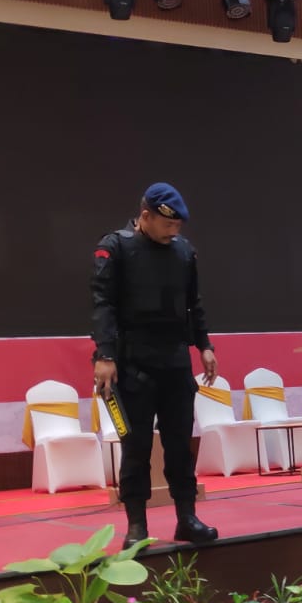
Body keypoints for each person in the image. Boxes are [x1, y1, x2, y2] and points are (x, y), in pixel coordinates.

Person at [92, 182, 219, 548]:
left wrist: (204, 345)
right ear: (145, 216)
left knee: (180, 445)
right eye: (168, 224)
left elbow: (194, 304)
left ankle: (187, 518)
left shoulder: (184, 252)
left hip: (175, 362)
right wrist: (104, 355)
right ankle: (136, 526)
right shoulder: (115, 248)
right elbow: (103, 305)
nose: (173, 231)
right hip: (133, 364)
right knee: (136, 447)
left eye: (178, 225)